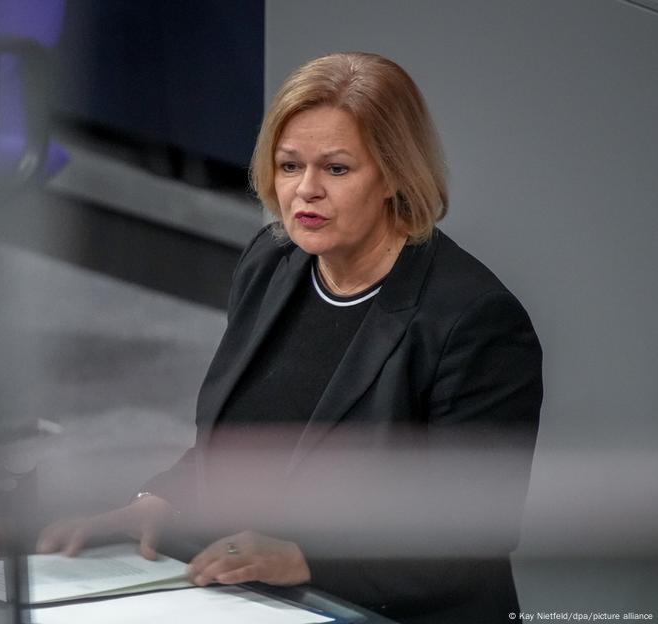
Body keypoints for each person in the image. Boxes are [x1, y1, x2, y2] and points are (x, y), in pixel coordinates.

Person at [37, 52, 542, 623]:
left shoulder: (474, 322)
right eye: (288, 165)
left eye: (336, 169)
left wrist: (306, 558)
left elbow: (468, 539)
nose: (305, 191)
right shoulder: (273, 262)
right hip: (261, 598)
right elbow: (232, 448)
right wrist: (156, 502)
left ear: (396, 175)